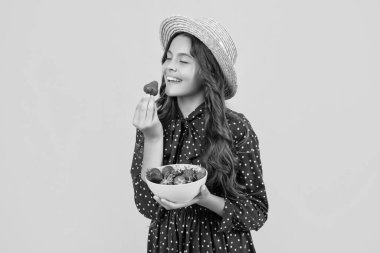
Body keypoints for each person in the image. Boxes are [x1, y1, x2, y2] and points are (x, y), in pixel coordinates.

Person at [131, 15, 269, 253]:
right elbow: (147, 206)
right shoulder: (155, 122)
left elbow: (256, 212)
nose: (169, 66)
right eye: (168, 57)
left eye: (184, 61)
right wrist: (153, 137)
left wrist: (206, 199)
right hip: (167, 245)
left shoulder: (236, 128)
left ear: (208, 72)